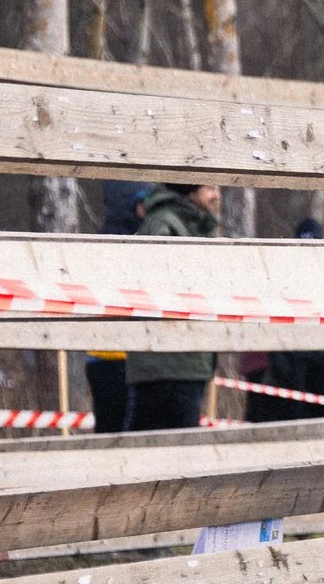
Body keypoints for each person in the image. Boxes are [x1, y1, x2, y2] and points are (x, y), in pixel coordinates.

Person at [123, 183, 223, 430]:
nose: (217, 196)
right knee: (158, 452)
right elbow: (154, 281)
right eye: (210, 188)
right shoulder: (163, 223)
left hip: (187, 358)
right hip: (164, 362)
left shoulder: (193, 224)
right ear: (190, 189)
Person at [245, 217, 324, 423]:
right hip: (291, 351)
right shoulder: (282, 274)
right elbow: (273, 312)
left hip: (320, 351)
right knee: (291, 410)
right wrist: (276, 353)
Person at [85, 179, 151, 434]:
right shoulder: (112, 245)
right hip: (112, 359)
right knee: (115, 434)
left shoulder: (138, 241)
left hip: (124, 358)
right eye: (144, 203)